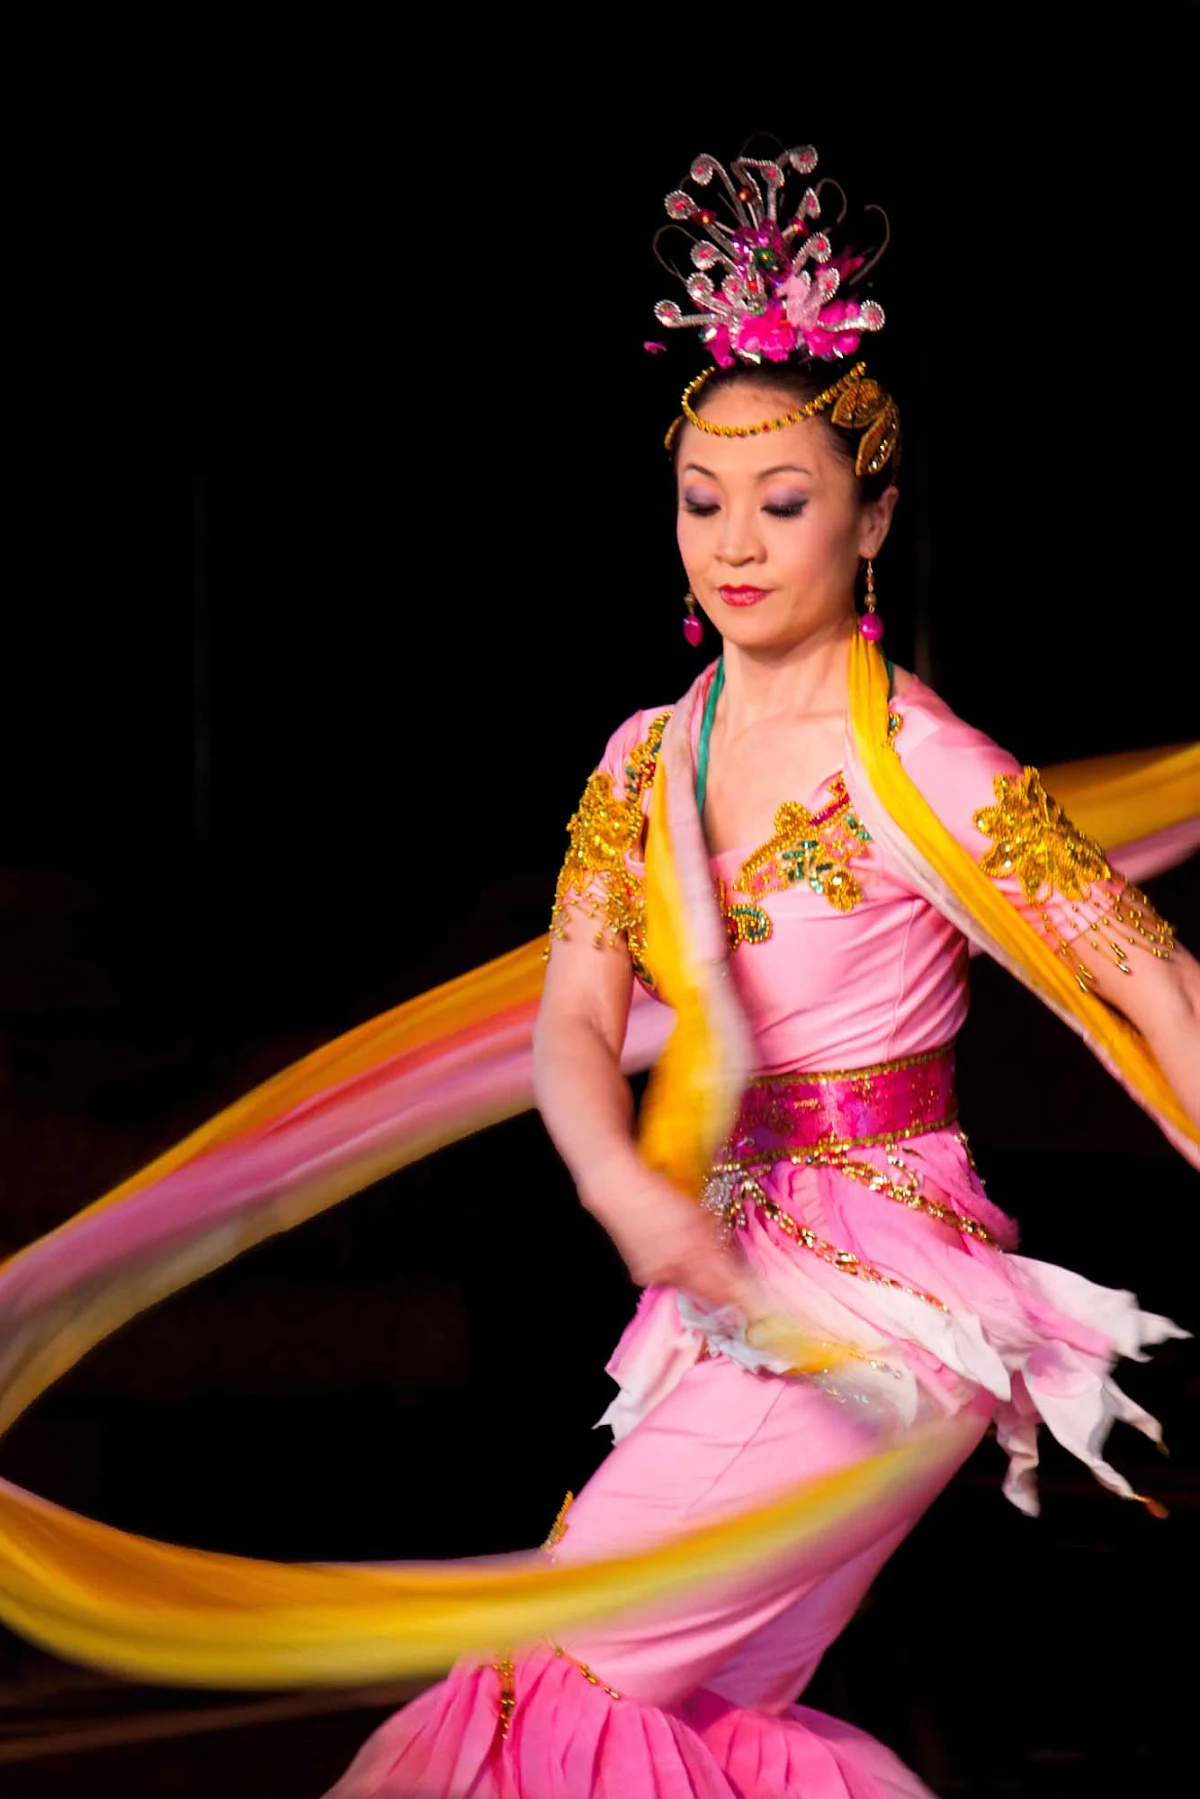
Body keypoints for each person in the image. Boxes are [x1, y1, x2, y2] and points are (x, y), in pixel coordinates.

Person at [324, 146, 1200, 1796]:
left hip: (882, 1309)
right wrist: (626, 1186)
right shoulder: (644, 758)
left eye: (785, 502)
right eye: (701, 499)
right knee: (674, 1726)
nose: (734, 542)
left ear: (872, 517)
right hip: (720, 1282)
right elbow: (578, 1019)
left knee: (538, 1675)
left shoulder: (924, 765)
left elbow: (1159, 986)